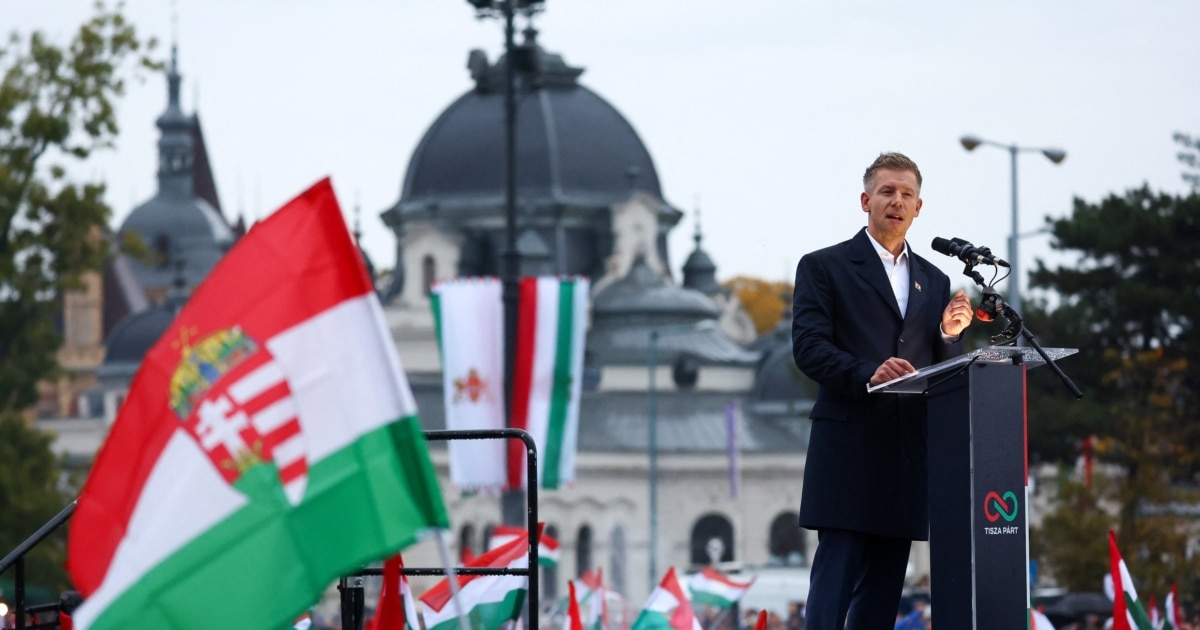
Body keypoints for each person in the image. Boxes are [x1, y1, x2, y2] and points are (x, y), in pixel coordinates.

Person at [790, 152, 974, 629]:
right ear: (865, 200)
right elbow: (809, 349)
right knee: (831, 594)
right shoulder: (823, 266)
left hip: (906, 454)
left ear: (919, 207)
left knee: (882, 598)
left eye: (907, 194)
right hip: (848, 451)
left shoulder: (934, 279)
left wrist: (950, 336)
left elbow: (940, 368)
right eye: (887, 191)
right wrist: (868, 372)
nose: (897, 201)